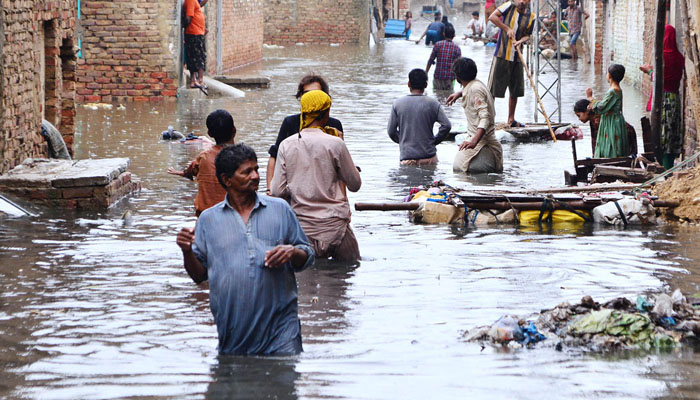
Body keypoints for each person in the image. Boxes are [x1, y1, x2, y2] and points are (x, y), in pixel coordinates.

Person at [176, 144, 314, 356]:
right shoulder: (208, 220)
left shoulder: (280, 209)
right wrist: (186, 251)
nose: (256, 176)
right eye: (247, 172)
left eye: (256, 169)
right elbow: (199, 275)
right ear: (227, 179)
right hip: (233, 332)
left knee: (283, 380)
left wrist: (292, 252)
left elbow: (307, 255)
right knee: (235, 384)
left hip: (282, 332)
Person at [270, 90, 362, 262]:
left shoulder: (286, 145)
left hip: (302, 228)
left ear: (303, 112)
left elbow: (276, 191)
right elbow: (355, 184)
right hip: (336, 226)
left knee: (306, 283)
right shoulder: (336, 143)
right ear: (326, 113)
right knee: (347, 274)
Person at [266, 74, 344, 192]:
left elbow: (341, 167)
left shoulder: (334, 126)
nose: (312, 97)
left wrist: (344, 200)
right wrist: (269, 190)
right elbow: (274, 156)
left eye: (316, 93)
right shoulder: (290, 122)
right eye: (306, 94)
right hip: (294, 190)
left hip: (326, 191)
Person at [168, 109, 235, 216]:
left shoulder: (204, 158)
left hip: (206, 217)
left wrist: (182, 173)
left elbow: (191, 170)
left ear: (210, 133)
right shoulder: (243, 158)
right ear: (234, 130)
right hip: (233, 216)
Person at [639, 25, 685, 169]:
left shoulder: (661, 57)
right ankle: (669, 166)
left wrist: (649, 71)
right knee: (672, 134)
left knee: (663, 136)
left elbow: (659, 79)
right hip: (675, 99)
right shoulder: (680, 57)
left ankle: (665, 169)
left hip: (662, 100)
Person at [448, 58, 503, 173]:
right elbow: (472, 93)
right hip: (482, 140)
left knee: (458, 170)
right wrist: (459, 93)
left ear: (458, 77)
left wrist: (474, 141)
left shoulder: (475, 90)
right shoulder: (476, 85)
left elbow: (485, 117)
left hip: (481, 142)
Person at [387, 69, 452, 165]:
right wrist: (434, 141)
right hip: (429, 157)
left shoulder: (397, 104)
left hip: (407, 158)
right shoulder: (433, 103)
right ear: (426, 85)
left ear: (409, 84)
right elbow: (446, 126)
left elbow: (391, 131)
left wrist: (404, 141)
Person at [488, 0, 535, 127]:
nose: (521, 2)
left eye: (524, 0)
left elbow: (528, 36)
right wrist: (506, 28)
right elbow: (492, 17)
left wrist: (520, 41)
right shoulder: (509, 6)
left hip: (517, 57)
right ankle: (488, 118)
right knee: (493, 89)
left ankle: (511, 119)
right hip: (502, 54)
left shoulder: (531, 17)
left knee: (515, 90)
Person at [585, 64, 630, 158]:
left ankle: (610, 163)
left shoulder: (613, 91)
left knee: (611, 145)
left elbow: (601, 107)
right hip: (614, 119)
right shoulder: (617, 89)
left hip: (612, 121)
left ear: (609, 76)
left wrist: (590, 98)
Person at [573, 99, 637, 156]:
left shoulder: (597, 120)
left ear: (586, 111)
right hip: (626, 130)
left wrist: (596, 157)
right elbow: (596, 141)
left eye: (579, 115)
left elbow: (598, 142)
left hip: (623, 132)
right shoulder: (594, 118)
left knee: (624, 155)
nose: (579, 119)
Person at [426, 25, 461, 91]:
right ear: (454, 35)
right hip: (450, 78)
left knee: (437, 96)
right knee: (449, 97)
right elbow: (459, 65)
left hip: (438, 76)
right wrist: (460, 80)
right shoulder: (457, 48)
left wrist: (426, 73)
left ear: (444, 34)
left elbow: (430, 61)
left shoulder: (437, 45)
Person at [183, 0, 207, 90]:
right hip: (194, 33)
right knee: (197, 57)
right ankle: (197, 80)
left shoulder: (194, 1)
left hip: (197, 32)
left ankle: (198, 80)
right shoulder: (191, 0)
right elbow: (189, 17)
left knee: (198, 57)